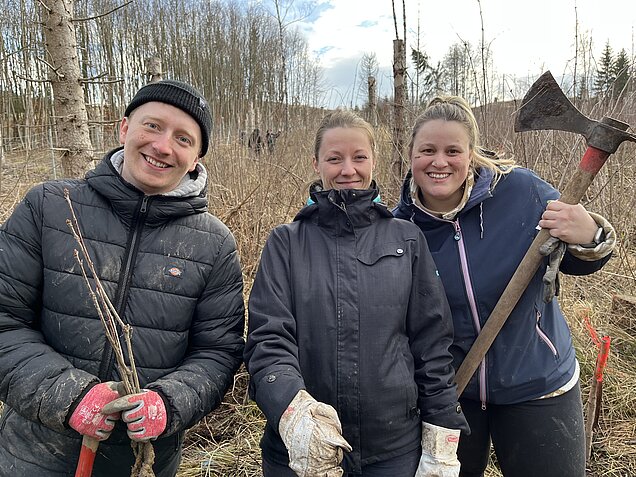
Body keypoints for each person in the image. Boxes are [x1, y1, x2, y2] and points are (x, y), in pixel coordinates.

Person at [0, 79, 245, 476]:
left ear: (196, 158)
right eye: (153, 126)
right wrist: (69, 396)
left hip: (145, 463)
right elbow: (4, 321)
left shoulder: (214, 244)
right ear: (124, 128)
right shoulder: (47, 207)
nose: (163, 146)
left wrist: (168, 403)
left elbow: (218, 352)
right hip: (32, 456)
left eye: (183, 139)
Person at [393, 95, 616, 477]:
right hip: (451, 395)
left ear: (471, 153)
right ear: (410, 154)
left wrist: (589, 235)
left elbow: (578, 259)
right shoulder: (398, 229)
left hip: (538, 383)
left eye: (452, 150)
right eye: (427, 150)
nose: (439, 161)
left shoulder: (520, 191)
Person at [244, 110, 468, 477]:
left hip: (394, 450)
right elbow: (268, 340)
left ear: (373, 162)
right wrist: (293, 412)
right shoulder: (286, 242)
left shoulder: (406, 239)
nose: (348, 169)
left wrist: (442, 435)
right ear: (316, 163)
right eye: (335, 158)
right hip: (300, 450)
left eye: (359, 157)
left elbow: (432, 345)